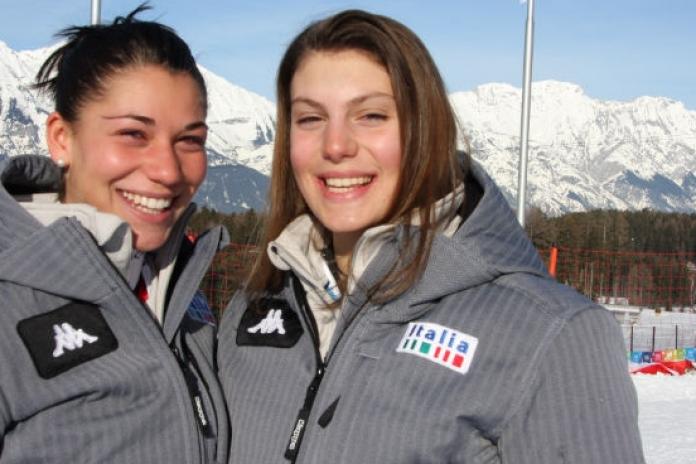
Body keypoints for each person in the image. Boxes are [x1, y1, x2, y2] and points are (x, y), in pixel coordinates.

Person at [218, 9, 645, 464]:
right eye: (310, 118)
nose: (336, 145)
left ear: (425, 130)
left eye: (371, 115)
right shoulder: (252, 311)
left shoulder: (552, 334)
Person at [0, 5, 229, 463]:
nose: (168, 171)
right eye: (133, 134)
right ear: (62, 138)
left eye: (190, 140)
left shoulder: (179, 289)